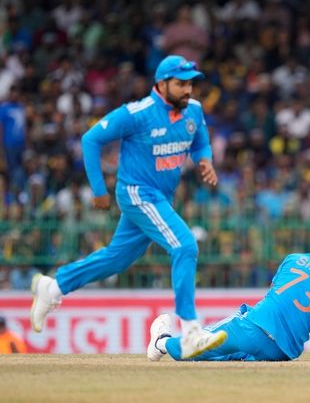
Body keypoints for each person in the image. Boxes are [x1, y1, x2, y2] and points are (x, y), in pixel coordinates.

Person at [30, 55, 226, 359]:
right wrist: (98, 189)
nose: (188, 89)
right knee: (186, 246)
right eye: (181, 83)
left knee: (117, 259)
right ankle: (189, 331)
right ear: (161, 84)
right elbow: (90, 139)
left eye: (190, 83)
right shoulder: (137, 114)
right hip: (137, 194)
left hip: (160, 197)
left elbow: (200, 140)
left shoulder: (194, 111)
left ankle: (53, 288)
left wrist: (205, 160)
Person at [146, 230, 310, 362]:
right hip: (281, 352)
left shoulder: (293, 259)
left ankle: (161, 343)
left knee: (201, 342)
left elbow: (279, 296)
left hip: (254, 328)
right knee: (224, 355)